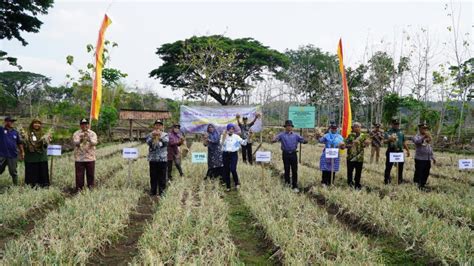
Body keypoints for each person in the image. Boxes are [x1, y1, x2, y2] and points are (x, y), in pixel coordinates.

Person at [272, 120, 307, 192]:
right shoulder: (281, 135)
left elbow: (302, 140)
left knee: (294, 170)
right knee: (287, 170)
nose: (289, 127)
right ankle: (287, 184)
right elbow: (275, 139)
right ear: (285, 127)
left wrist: (305, 140)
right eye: (287, 126)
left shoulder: (296, 135)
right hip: (285, 154)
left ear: (292, 127)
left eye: (290, 126)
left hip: (294, 154)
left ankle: (295, 186)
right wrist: (273, 139)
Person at [23, 119, 51, 187]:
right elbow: (23, 144)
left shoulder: (44, 134)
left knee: (42, 172)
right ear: (32, 124)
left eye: (39, 123)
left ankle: (44, 186)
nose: (37, 124)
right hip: (31, 157)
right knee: (32, 172)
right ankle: (31, 186)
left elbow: (45, 146)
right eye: (35, 123)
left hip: (41, 157)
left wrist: (47, 140)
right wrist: (25, 141)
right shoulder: (26, 134)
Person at [72, 118, 98, 191]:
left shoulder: (92, 133)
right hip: (79, 158)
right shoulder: (76, 133)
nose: (84, 126)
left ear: (88, 125)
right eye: (82, 124)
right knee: (79, 176)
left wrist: (89, 139)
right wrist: (80, 140)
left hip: (90, 158)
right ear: (80, 125)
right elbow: (75, 143)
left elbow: (95, 143)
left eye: (86, 124)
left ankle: (91, 189)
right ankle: (79, 190)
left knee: (90, 175)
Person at [220, 123, 247, 192]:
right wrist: (224, 136)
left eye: (232, 129)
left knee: (233, 169)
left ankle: (237, 182)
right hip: (225, 154)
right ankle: (228, 186)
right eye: (229, 129)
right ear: (227, 129)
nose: (231, 130)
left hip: (233, 154)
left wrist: (249, 137)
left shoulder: (236, 137)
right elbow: (221, 144)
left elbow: (244, 143)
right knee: (226, 170)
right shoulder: (223, 136)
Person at [383, 118, 410, 184]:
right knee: (389, 166)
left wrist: (407, 150)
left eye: (397, 124)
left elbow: (404, 142)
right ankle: (387, 180)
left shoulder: (401, 132)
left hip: (399, 152)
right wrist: (390, 139)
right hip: (391, 151)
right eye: (395, 124)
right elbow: (384, 141)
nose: (396, 125)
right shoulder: (388, 132)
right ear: (391, 124)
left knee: (400, 167)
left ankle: (399, 180)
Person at [146, 120, 169, 196]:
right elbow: (148, 143)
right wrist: (153, 136)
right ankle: (153, 191)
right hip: (153, 159)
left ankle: (162, 192)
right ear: (154, 126)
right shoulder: (150, 135)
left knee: (162, 176)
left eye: (159, 125)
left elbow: (166, 143)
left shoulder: (165, 135)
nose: (158, 126)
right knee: (153, 176)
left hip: (162, 159)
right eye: (156, 125)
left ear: (162, 127)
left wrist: (160, 137)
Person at [345, 122, 370, 189]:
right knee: (350, 171)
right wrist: (352, 144)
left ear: (360, 128)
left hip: (359, 157)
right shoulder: (350, 136)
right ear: (353, 128)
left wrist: (366, 144)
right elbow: (345, 145)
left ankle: (357, 184)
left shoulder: (363, 136)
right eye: (355, 127)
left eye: (358, 127)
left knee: (358, 172)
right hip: (350, 157)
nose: (357, 128)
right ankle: (350, 183)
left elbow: (365, 145)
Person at [319, 121, 345, 186]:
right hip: (327, 154)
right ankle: (324, 182)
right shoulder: (326, 135)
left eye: (335, 128)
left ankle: (331, 182)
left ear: (337, 129)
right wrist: (320, 135)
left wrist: (342, 146)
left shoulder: (340, 137)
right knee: (325, 168)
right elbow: (320, 140)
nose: (334, 129)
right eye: (333, 128)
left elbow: (343, 146)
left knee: (333, 169)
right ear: (331, 129)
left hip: (335, 154)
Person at [0, 116, 23, 185]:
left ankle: (15, 186)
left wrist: (22, 152)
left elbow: (19, 143)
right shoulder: (1, 130)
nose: (12, 122)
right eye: (10, 121)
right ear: (6, 122)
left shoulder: (15, 132)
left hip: (13, 155)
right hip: (2, 155)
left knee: (13, 172)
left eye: (13, 121)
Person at [413, 122, 436, 189]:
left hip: (427, 159)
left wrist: (433, 157)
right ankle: (417, 184)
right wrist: (423, 137)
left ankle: (423, 184)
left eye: (426, 128)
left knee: (426, 172)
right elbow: (417, 142)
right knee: (419, 172)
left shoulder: (428, 137)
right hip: (420, 159)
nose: (425, 130)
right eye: (423, 128)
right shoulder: (416, 136)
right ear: (420, 129)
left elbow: (429, 148)